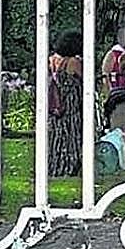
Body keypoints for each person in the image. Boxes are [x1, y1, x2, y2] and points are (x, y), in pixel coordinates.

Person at [48, 31, 84, 177]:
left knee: (58, 138)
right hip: (72, 107)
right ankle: (71, 165)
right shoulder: (74, 63)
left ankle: (57, 166)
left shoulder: (54, 61)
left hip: (58, 106)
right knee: (72, 138)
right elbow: (85, 80)